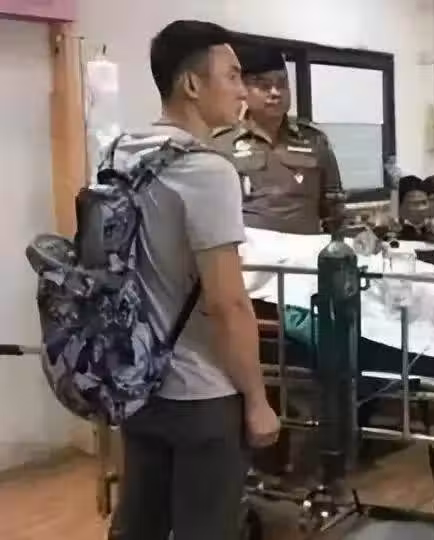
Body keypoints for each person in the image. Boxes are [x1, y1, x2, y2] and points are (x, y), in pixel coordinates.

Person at [107, 20, 280, 540]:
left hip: (138, 382)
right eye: (232, 76)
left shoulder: (120, 154)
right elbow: (228, 304)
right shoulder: (208, 171)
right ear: (191, 84)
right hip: (202, 395)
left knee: (141, 526)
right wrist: (258, 401)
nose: (243, 91)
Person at [211, 43, 344, 235]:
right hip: (249, 249)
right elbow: (212, 213)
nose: (275, 92)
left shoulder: (314, 140)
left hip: (307, 249)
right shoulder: (222, 143)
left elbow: (334, 208)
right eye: (264, 86)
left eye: (282, 84)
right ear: (244, 90)